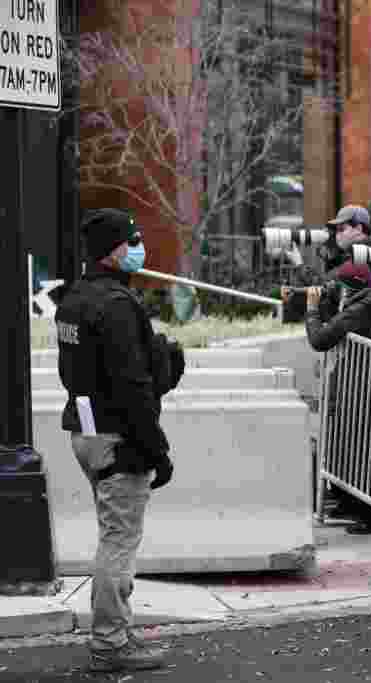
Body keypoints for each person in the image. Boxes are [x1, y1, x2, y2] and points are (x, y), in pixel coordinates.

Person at [54, 209, 178, 673]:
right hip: (118, 435)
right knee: (118, 543)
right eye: (134, 240)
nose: (140, 246)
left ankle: (114, 634)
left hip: (85, 431)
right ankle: (110, 644)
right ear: (115, 249)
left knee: (112, 534)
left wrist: (160, 368)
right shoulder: (117, 304)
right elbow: (131, 386)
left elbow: (82, 371)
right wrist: (157, 449)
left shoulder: (75, 299)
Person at [298, 262, 371, 535]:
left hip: (363, 388)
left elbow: (321, 338)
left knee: (358, 452)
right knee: (352, 450)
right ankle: (358, 507)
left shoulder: (362, 307)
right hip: (362, 385)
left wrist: (311, 309)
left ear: (352, 287)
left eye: (339, 286)